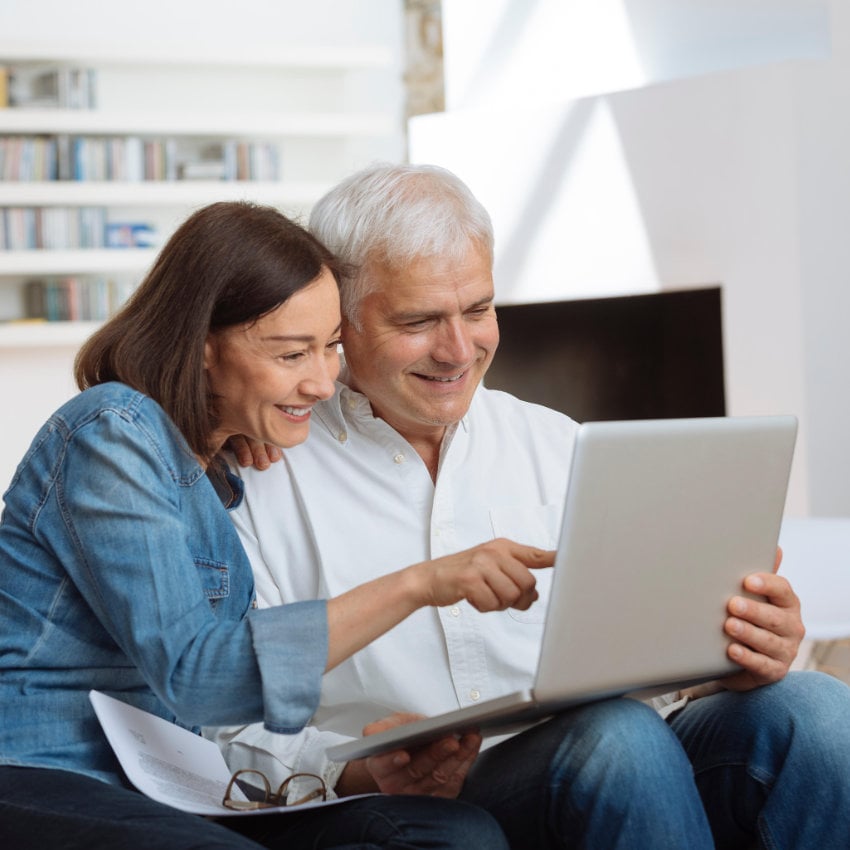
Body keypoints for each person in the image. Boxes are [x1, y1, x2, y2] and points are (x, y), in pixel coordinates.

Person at [216, 165, 850, 850]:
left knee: (816, 710)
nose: (460, 350)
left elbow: (644, 679)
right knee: (617, 740)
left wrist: (723, 657)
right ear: (338, 315)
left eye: (479, 309)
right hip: (440, 805)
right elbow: (221, 727)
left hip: (623, 767)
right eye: (419, 320)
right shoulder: (263, 474)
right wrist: (356, 773)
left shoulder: (560, 446)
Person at [0, 198, 572, 850]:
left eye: (330, 348)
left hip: (168, 784)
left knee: (453, 831)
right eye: (293, 354)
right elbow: (199, 677)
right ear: (204, 348)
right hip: (42, 768)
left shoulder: (222, 467)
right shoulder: (111, 434)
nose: (326, 383)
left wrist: (363, 768)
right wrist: (422, 583)